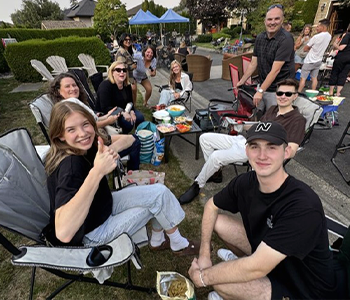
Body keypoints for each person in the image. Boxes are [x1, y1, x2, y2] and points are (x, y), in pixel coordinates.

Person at [188, 121, 345, 300]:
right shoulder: (245, 182)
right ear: (247, 151)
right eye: (255, 147)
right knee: (218, 222)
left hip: (304, 287)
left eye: (272, 147)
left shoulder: (303, 205)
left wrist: (202, 277)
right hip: (270, 259)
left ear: (286, 153)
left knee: (218, 280)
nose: (262, 155)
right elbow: (211, 205)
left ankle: (240, 285)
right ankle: (241, 271)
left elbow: (256, 267)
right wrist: (204, 254)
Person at [45, 101, 200, 258]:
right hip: (92, 234)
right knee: (157, 204)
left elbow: (130, 139)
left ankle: (159, 241)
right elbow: (64, 233)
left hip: (102, 206)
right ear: (60, 136)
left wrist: (110, 152)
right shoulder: (71, 166)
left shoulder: (89, 144)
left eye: (85, 124)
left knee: (160, 192)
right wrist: (98, 171)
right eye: (71, 129)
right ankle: (178, 243)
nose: (83, 133)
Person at [179, 79, 306, 205]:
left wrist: (266, 154)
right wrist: (239, 125)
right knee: (205, 138)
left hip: (255, 150)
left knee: (216, 156)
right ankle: (215, 174)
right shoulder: (273, 109)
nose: (283, 97)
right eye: (280, 93)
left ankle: (197, 186)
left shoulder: (297, 120)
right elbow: (258, 126)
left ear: (295, 96)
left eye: (288, 94)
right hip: (243, 140)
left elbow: (292, 150)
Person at [48, 73, 141, 171]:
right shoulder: (67, 109)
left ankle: (122, 166)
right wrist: (108, 121)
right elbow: (91, 125)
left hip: (97, 139)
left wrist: (106, 116)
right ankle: (129, 170)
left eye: (74, 85)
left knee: (133, 139)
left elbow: (92, 120)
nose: (73, 88)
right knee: (135, 141)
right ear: (58, 91)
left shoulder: (75, 103)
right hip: (92, 146)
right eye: (67, 86)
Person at [237, 4, 295, 113]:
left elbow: (275, 70)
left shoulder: (286, 39)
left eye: (276, 19)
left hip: (280, 88)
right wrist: (242, 81)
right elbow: (253, 64)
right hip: (264, 84)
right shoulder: (260, 37)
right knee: (258, 113)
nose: (272, 22)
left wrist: (260, 91)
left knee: (274, 119)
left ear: (282, 20)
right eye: (269, 19)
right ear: (265, 21)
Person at [97, 59, 145, 134]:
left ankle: (139, 135)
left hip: (125, 109)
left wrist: (132, 111)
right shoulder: (105, 86)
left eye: (124, 70)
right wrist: (122, 112)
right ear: (112, 72)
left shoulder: (126, 85)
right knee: (128, 123)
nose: (122, 72)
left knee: (140, 117)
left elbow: (130, 101)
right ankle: (123, 136)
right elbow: (105, 107)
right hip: (110, 113)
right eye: (118, 70)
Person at [298, 19, 332, 93]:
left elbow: (305, 48)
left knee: (303, 79)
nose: (316, 28)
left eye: (318, 26)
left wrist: (311, 49)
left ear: (323, 27)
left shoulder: (316, 37)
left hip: (309, 60)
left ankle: (298, 93)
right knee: (314, 78)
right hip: (318, 60)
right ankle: (313, 94)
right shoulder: (329, 36)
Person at [116, 33, 138, 105]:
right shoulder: (121, 52)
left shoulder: (127, 50)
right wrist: (132, 67)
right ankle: (131, 107)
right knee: (130, 93)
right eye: (126, 39)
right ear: (122, 41)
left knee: (133, 91)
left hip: (130, 76)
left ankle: (133, 106)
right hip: (124, 78)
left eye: (129, 39)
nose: (128, 41)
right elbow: (120, 66)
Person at [329, 23, 350, 96]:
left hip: (342, 57)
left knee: (335, 73)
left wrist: (335, 44)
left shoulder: (348, 35)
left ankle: (331, 91)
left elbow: (341, 48)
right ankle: (338, 93)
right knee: (343, 75)